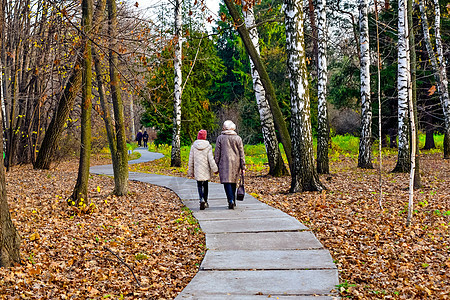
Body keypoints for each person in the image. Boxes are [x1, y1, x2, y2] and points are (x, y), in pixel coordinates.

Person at [214, 120, 245, 209]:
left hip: (223, 162)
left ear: (225, 127)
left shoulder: (220, 138)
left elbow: (217, 153)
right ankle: (233, 200)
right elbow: (241, 153)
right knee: (233, 181)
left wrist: (215, 165)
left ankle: (230, 199)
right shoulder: (238, 138)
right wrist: (243, 165)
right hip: (236, 163)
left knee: (226, 181)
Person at [188, 130, 218, 210]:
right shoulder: (208, 146)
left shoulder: (193, 146)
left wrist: (190, 171)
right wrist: (215, 169)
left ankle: (201, 198)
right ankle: (205, 201)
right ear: (205, 136)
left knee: (199, 185)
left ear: (198, 136)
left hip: (197, 168)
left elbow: (191, 160)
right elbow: (211, 159)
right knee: (205, 185)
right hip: (205, 168)